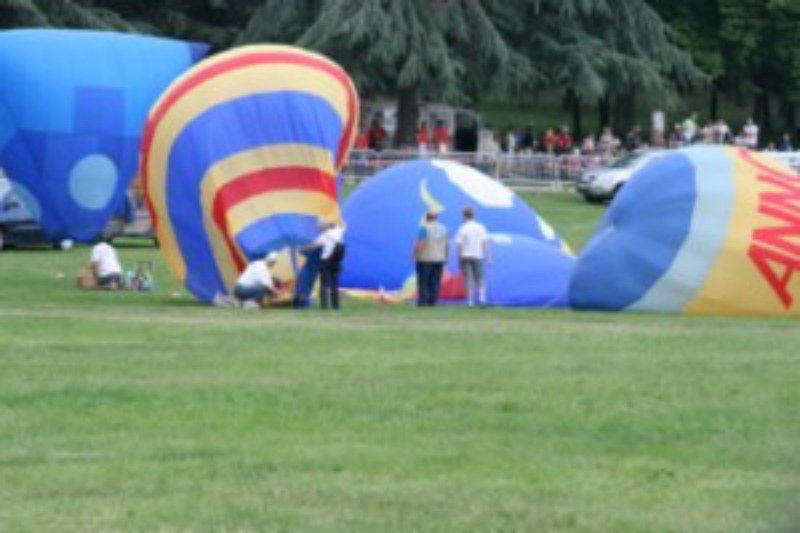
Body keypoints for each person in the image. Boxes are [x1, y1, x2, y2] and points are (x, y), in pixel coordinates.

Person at [305, 221, 346, 310]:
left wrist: (303, 248)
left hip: (325, 261)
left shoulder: (323, 236)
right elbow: (343, 224)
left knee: (323, 283)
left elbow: (313, 245)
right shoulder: (338, 231)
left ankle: (324, 305)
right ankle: (336, 306)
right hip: (336, 261)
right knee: (334, 284)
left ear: (323, 228)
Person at [455, 207, 489, 307]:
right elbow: (484, 243)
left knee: (468, 279)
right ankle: (482, 299)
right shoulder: (480, 227)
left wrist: (459, 257)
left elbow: (460, 245)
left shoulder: (463, 228)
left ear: (464, 216)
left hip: (466, 255)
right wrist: (487, 256)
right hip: (478, 255)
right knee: (480, 278)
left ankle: (470, 301)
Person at [413, 211, 448, 307]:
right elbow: (446, 244)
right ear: (436, 218)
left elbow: (421, 242)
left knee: (423, 281)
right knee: (435, 281)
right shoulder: (443, 228)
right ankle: (433, 301)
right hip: (440, 258)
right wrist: (445, 256)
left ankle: (423, 301)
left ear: (426, 218)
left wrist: (415, 254)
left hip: (425, 258)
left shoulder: (424, 228)